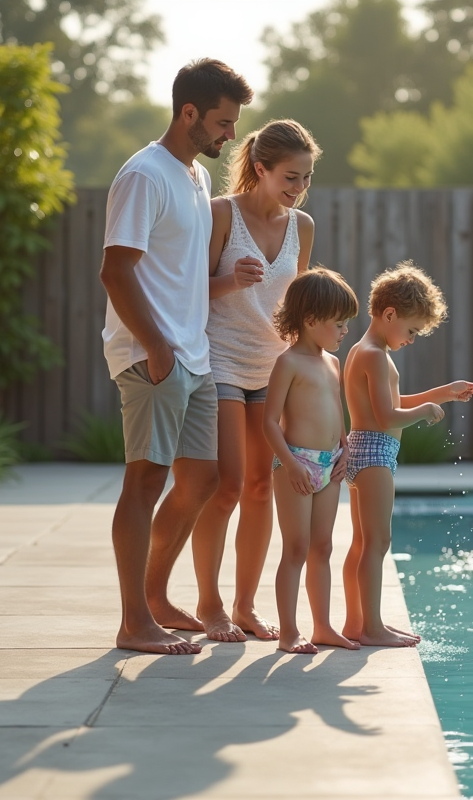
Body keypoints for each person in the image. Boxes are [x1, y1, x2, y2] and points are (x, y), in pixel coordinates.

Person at [98, 59, 253, 655]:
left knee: (203, 478)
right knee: (145, 482)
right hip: (153, 356)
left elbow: (182, 276)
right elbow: (116, 271)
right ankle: (134, 622)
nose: (231, 135)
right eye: (222, 122)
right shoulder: (145, 175)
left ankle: (156, 598)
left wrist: (225, 290)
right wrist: (157, 346)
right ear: (189, 113)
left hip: (195, 356)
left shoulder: (195, 177)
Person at [190, 120, 329, 643]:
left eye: (307, 178)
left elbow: (298, 307)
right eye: (291, 177)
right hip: (221, 360)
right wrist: (231, 280)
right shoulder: (220, 214)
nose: (299, 188)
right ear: (261, 168)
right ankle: (210, 605)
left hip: (274, 368)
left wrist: (314, 362)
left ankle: (245, 607)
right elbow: (189, 291)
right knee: (226, 485)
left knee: (259, 487)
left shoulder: (302, 226)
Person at [341, 262, 473, 647]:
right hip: (374, 453)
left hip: (366, 449)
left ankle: (357, 623)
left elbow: (393, 402)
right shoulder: (375, 355)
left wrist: (445, 392)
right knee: (377, 542)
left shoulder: (366, 350)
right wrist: (425, 413)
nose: (411, 339)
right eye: (411, 330)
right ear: (390, 314)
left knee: (363, 543)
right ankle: (371, 628)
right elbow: (387, 416)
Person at [262, 268, 362, 654]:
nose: (345, 331)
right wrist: (289, 463)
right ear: (310, 320)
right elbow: (269, 422)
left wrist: (345, 448)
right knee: (296, 548)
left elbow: (337, 413)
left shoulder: (332, 364)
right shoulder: (288, 363)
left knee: (323, 547)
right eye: (339, 323)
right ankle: (288, 632)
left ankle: (323, 626)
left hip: (330, 463)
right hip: (297, 464)